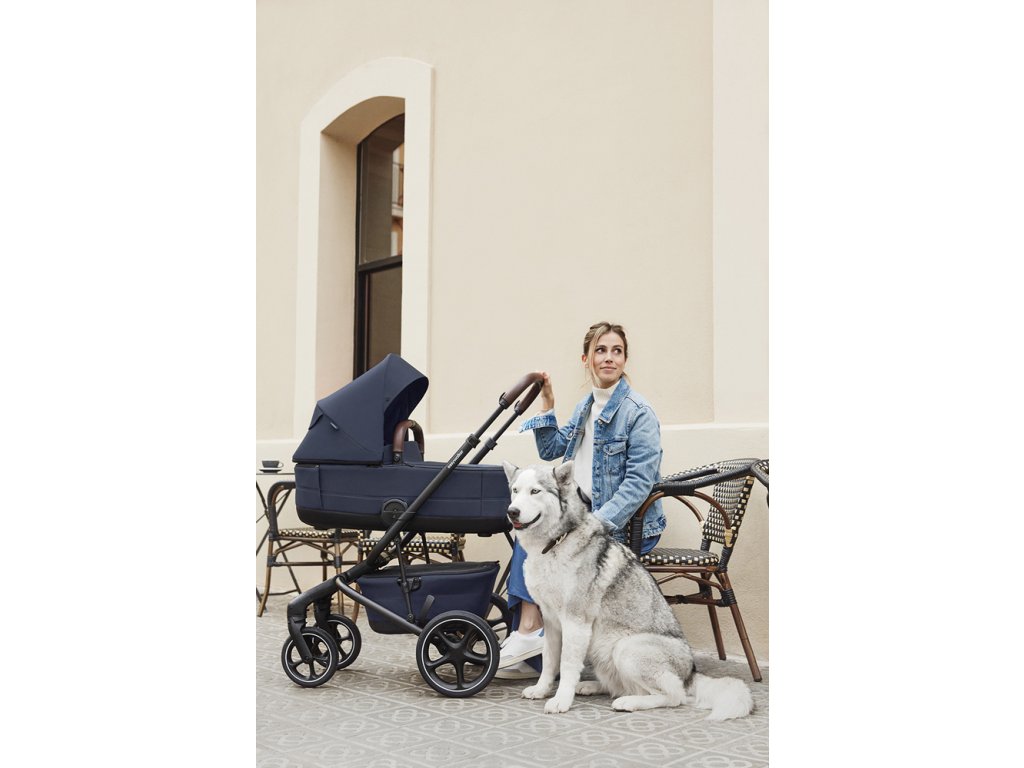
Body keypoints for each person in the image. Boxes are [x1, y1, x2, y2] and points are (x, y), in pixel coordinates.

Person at [495, 321, 666, 679]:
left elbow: (638, 483)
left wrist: (597, 525)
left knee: (538, 537)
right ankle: (531, 638)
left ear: (625, 359)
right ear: (586, 358)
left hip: (618, 524)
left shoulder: (638, 412)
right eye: (600, 350)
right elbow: (550, 450)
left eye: (617, 351)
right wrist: (548, 404)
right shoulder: (586, 406)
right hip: (580, 519)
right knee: (530, 525)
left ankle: (528, 636)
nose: (609, 358)